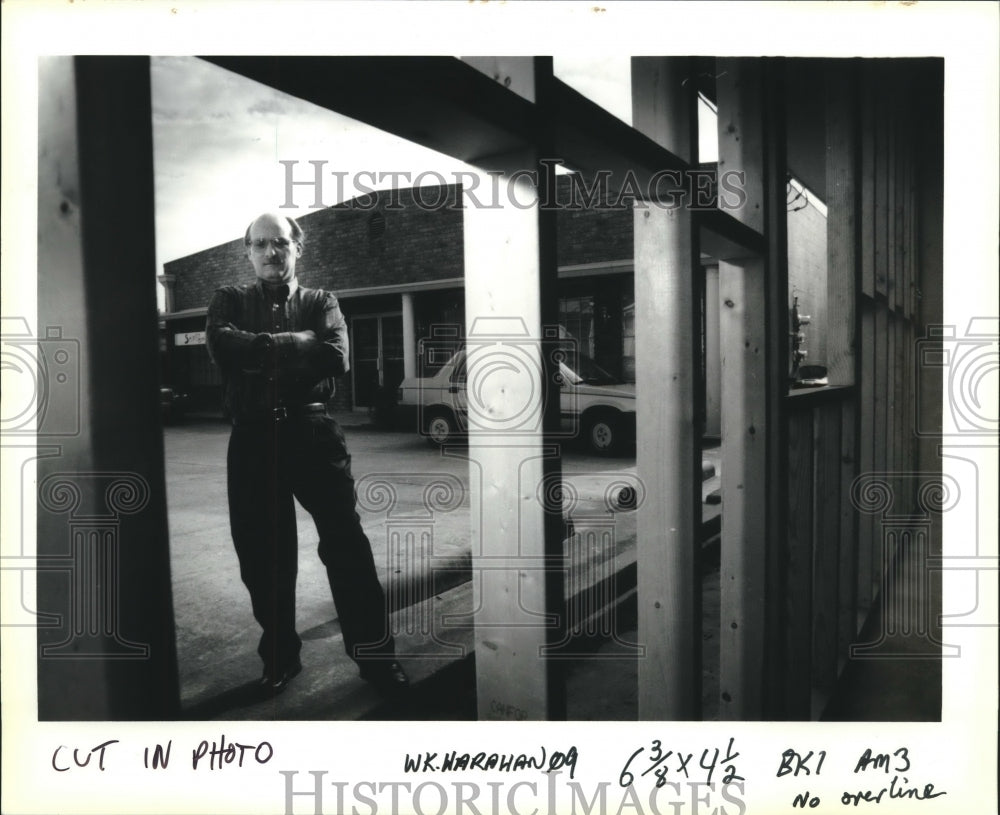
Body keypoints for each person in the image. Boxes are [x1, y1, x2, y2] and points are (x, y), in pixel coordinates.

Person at [206, 212, 408, 696]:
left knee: (347, 548)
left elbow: (336, 356)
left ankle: (376, 660)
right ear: (248, 252)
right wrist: (296, 343)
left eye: (280, 243)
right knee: (263, 556)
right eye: (260, 244)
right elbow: (220, 344)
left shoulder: (322, 301)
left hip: (313, 432)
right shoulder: (228, 300)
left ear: (299, 248)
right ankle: (280, 658)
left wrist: (258, 349)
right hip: (254, 439)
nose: (271, 253)